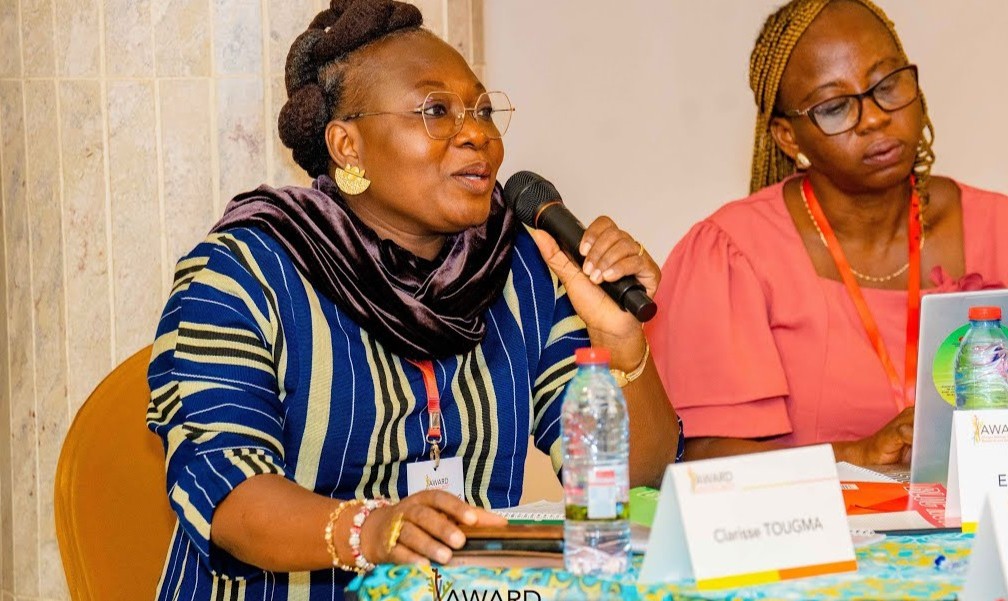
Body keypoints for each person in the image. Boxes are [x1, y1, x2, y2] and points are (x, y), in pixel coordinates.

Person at [147, 1, 681, 597]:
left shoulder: (518, 270)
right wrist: (372, 531)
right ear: (347, 146)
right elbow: (229, 495)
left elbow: (632, 481)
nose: (477, 134)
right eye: (435, 111)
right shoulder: (244, 272)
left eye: (483, 110)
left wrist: (620, 343)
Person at [648, 0, 1008, 466]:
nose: (873, 118)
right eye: (834, 108)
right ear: (788, 137)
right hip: (810, 517)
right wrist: (855, 455)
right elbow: (702, 458)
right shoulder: (732, 258)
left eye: (887, 85)